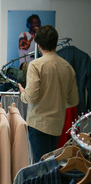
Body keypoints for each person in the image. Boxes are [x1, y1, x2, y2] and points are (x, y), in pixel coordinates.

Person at [18, 25, 79, 163]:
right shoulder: (67, 66)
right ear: (56, 43)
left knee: (40, 167)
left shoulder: (36, 65)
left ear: (38, 45)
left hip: (38, 124)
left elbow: (31, 96)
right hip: (57, 124)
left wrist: (23, 93)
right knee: (52, 165)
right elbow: (73, 100)